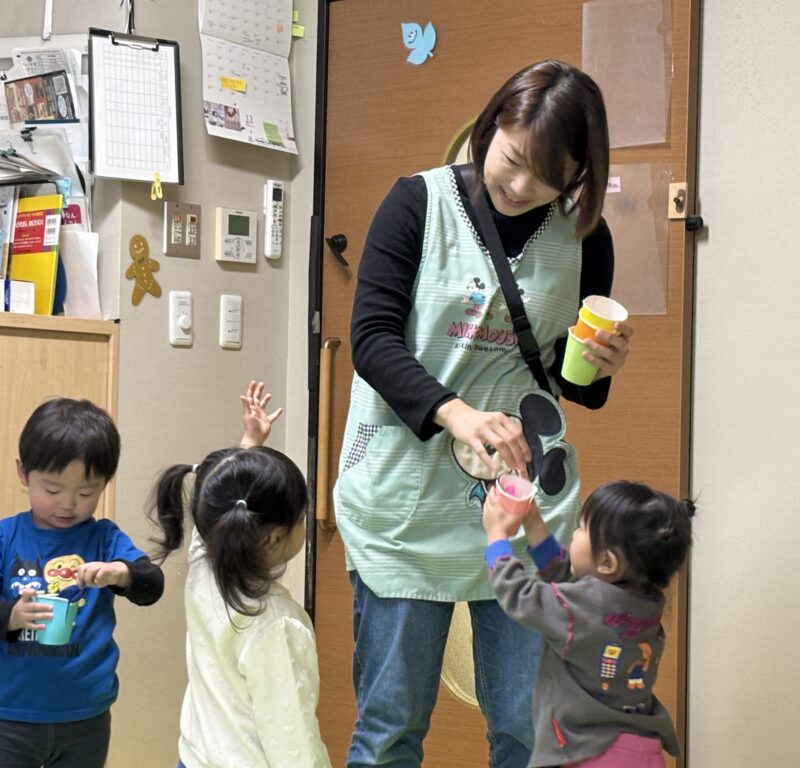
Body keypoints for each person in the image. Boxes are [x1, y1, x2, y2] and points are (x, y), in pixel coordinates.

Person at [333, 59, 634, 768]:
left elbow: (569, 382)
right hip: (406, 506)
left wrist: (601, 368)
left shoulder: (586, 238)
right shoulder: (417, 202)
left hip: (523, 513)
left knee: (529, 732)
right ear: (494, 122)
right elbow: (371, 339)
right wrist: (455, 412)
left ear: (579, 176)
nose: (521, 186)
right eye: (514, 159)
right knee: (390, 731)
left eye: (549, 176)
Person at [0, 397, 164, 768]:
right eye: (52, 490)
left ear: (105, 483)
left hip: (87, 716)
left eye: (86, 493)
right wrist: (11, 617)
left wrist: (121, 573)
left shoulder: (104, 538)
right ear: (23, 474)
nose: (68, 504)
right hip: (9, 715)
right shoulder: (3, 536)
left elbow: (153, 585)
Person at [150, 381, 331, 768]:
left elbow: (218, 509)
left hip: (193, 758)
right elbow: (293, 742)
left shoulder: (205, 565)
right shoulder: (276, 625)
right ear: (275, 536)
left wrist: (250, 444)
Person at [481, 481, 694, 767]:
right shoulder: (646, 603)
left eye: (581, 527)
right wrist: (533, 522)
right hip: (643, 749)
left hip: (590, 753)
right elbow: (567, 581)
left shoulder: (578, 609)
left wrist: (496, 536)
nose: (574, 532)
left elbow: (519, 595)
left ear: (607, 563)